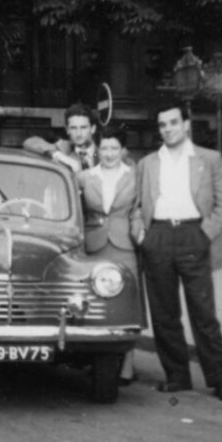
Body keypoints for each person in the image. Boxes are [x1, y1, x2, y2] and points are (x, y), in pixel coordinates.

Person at [135, 98, 222, 403]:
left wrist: (204, 234)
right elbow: (137, 206)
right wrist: (142, 235)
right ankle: (177, 376)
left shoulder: (209, 159)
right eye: (162, 125)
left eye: (173, 123)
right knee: (164, 313)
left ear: (186, 125)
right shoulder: (148, 164)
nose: (167, 129)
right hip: (159, 235)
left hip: (195, 233)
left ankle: (220, 379)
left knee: (203, 312)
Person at [77, 124, 142, 384]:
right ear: (97, 148)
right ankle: (96, 360)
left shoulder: (134, 176)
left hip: (125, 245)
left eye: (114, 148)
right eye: (104, 148)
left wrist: (139, 231)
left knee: (128, 305)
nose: (109, 153)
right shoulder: (84, 177)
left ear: (123, 150)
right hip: (94, 246)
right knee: (95, 302)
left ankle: (127, 366)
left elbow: (139, 209)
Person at [23, 102, 98, 173]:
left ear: (93, 129)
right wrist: (60, 156)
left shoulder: (103, 151)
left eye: (83, 127)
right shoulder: (63, 148)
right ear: (67, 130)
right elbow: (29, 142)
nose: (78, 133)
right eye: (73, 128)